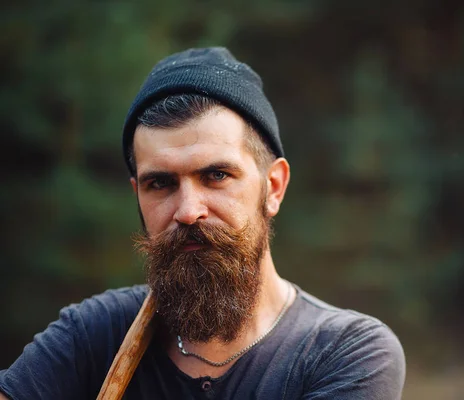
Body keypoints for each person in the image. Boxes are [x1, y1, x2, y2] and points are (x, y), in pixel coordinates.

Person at [0, 47, 405, 399]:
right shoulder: (93, 333)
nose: (188, 210)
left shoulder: (346, 352)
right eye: (160, 183)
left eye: (216, 176)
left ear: (274, 187)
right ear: (137, 195)